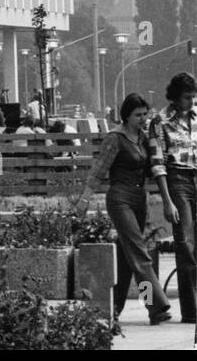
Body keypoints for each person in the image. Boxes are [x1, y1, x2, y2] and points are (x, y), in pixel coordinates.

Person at [75, 92, 169, 325]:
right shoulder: (115, 138)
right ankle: (156, 306)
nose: (143, 119)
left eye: (145, 114)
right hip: (120, 198)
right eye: (138, 115)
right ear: (126, 116)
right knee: (139, 252)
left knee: (128, 257)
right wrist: (84, 200)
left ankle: (112, 309)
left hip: (139, 199)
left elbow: (154, 166)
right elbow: (98, 170)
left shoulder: (145, 138)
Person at [149, 72, 197, 324]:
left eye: (193, 97)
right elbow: (158, 164)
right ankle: (191, 311)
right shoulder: (160, 122)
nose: (191, 102)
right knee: (186, 244)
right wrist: (167, 201)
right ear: (175, 97)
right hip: (178, 180)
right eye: (187, 98)